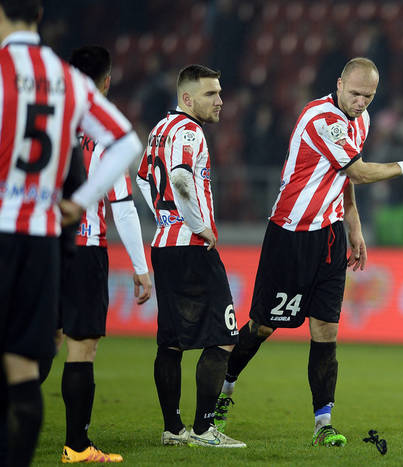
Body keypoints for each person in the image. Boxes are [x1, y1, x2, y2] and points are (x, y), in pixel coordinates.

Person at [213, 57, 403, 447]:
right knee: (263, 326)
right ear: (339, 84)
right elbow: (359, 171)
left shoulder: (360, 120)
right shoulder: (322, 118)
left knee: (326, 330)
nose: (361, 102)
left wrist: (354, 226)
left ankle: (323, 424)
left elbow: (345, 177)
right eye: (356, 93)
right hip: (290, 234)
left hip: (329, 236)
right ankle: (223, 391)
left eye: (369, 96)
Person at [0, 1, 143, 466]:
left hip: (8, 228)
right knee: (33, 360)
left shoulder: (5, 71)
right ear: (40, 15)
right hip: (51, 237)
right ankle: (74, 445)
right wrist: (80, 202)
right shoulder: (66, 82)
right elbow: (126, 144)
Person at [48, 45, 152, 464]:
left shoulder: (45, 115)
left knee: (37, 342)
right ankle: (77, 447)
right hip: (84, 246)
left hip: (36, 243)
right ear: (106, 82)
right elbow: (122, 204)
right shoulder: (104, 127)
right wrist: (141, 268)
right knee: (81, 347)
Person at [135, 64, 246, 448]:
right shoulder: (189, 130)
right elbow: (181, 178)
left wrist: (163, 217)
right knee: (225, 337)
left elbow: (142, 178)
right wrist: (199, 226)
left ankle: (172, 428)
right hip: (192, 247)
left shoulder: (160, 128)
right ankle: (203, 430)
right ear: (187, 98)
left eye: (219, 92)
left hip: (164, 245)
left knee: (170, 341)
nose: (220, 101)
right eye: (210, 94)